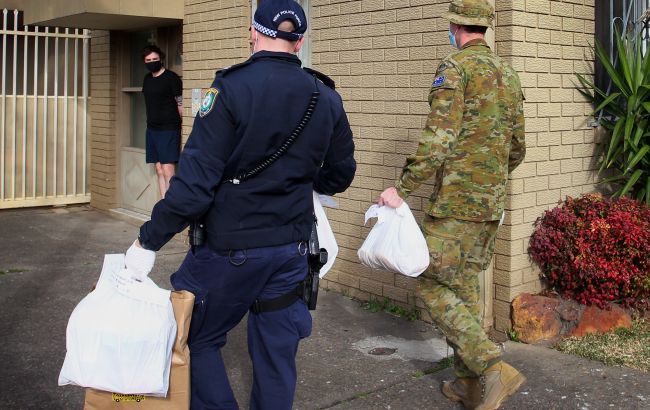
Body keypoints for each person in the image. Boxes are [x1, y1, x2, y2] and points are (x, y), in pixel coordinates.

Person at [124, 1, 356, 409]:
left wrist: (147, 242)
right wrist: (297, 179)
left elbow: (193, 188)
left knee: (191, 338)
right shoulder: (326, 96)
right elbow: (338, 177)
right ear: (299, 41)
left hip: (230, 249)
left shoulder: (230, 89)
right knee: (276, 353)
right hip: (292, 251)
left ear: (253, 32)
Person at [378, 1, 526, 409]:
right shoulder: (509, 75)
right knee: (463, 287)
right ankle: (468, 384)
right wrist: (491, 180)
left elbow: (439, 139)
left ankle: (491, 364)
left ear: (456, 25)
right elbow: (517, 147)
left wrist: (402, 188)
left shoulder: (455, 69)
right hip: (491, 204)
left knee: (427, 278)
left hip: (456, 203)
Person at [141, 44, 183, 198]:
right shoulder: (147, 79)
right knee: (158, 169)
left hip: (169, 129)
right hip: (152, 130)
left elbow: (180, 104)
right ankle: (164, 206)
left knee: (167, 170)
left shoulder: (171, 78)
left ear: (161, 59)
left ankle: (173, 207)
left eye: (155, 59)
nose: (152, 62)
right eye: (148, 60)